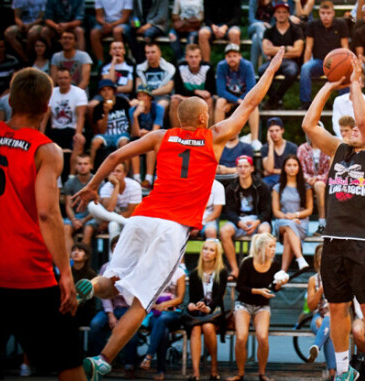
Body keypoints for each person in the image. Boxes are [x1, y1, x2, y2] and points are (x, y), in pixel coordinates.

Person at [72, 49, 285, 381]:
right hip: (171, 228)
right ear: (203, 120)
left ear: (178, 119)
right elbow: (249, 103)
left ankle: (90, 284)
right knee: (142, 300)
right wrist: (271, 69)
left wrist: (91, 187)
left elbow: (114, 155)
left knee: (113, 282)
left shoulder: (161, 136)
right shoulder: (213, 137)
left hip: (143, 217)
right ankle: (102, 360)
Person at [0, 67, 85, 381]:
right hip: (29, 274)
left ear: (10, 101)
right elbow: (48, 214)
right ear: (46, 108)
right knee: (69, 365)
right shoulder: (46, 150)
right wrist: (65, 273)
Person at [301, 57, 365, 381]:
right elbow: (309, 126)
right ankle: (343, 372)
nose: (354, 128)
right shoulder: (340, 150)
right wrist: (329, 84)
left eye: (359, 126)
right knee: (337, 307)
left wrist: (355, 81)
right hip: (334, 240)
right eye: (351, 126)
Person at [231, 233, 288, 381]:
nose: (273, 249)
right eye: (270, 246)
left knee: (262, 337)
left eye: (274, 246)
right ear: (261, 247)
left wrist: (279, 285)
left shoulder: (274, 265)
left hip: (262, 305)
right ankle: (240, 373)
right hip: (243, 303)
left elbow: (273, 289)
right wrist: (258, 291)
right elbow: (240, 287)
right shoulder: (248, 263)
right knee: (241, 337)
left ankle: (262, 373)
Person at [89, 235, 140, 379]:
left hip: (128, 307)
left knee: (131, 328)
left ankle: (129, 366)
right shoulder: (106, 267)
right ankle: (95, 363)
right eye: (114, 247)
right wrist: (110, 314)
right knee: (95, 324)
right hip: (110, 307)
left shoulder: (135, 267)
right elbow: (103, 295)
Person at [220, 155, 273, 279]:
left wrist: (256, 222)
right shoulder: (231, 188)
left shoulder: (262, 186)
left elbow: (267, 211)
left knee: (264, 231)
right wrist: (239, 223)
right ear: (236, 169)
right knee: (224, 231)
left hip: (258, 219)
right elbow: (229, 211)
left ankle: (258, 267)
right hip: (239, 220)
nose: (243, 169)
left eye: (246, 166)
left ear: (252, 168)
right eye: (240, 167)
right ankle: (234, 269)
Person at [185, 239, 228, 381]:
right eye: (205, 249)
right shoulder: (194, 273)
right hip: (198, 314)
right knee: (196, 329)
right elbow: (192, 298)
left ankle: (214, 367)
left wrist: (209, 309)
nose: (207, 252)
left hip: (215, 313)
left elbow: (218, 297)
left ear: (216, 254)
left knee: (208, 327)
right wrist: (193, 305)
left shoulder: (221, 272)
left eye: (211, 250)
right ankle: (196, 373)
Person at [299, 0, 349, 110]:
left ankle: (344, 102)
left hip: (337, 62)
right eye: (323, 13)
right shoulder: (313, 25)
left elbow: (345, 47)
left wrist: (345, 64)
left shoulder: (341, 24)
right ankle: (306, 102)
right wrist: (306, 63)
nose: (325, 16)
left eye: (328, 13)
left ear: (333, 13)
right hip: (320, 62)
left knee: (347, 71)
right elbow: (308, 47)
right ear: (319, 13)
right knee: (305, 68)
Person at [139, 263, 186, 381]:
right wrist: (156, 306)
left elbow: (180, 299)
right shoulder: (152, 271)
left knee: (163, 319)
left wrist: (164, 305)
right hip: (153, 314)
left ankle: (149, 356)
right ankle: (161, 371)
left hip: (172, 314)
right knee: (163, 330)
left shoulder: (179, 273)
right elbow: (145, 295)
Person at [41, 66, 88, 175]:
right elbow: (45, 115)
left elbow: (81, 115)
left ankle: (71, 176)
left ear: (70, 79)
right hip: (56, 129)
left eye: (66, 78)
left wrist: (79, 133)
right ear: (56, 80)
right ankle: (54, 177)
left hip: (73, 129)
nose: (63, 81)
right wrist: (41, 133)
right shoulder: (51, 92)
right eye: (60, 78)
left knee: (79, 141)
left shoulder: (79, 92)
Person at [215, 44, 261, 149]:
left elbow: (252, 89)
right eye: (229, 56)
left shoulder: (247, 66)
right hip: (230, 99)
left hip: (245, 99)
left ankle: (254, 139)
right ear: (225, 57)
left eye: (234, 55)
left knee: (254, 105)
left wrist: (238, 102)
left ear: (240, 56)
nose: (232, 58)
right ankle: (219, 137)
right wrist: (235, 101)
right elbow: (220, 91)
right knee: (219, 102)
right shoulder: (221, 66)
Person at [272, 155, 312, 271]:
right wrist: (288, 217)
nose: (292, 168)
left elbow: (309, 210)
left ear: (299, 168)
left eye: (295, 165)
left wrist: (295, 215)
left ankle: (283, 271)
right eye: (289, 165)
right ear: (284, 168)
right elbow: (275, 211)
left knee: (287, 234)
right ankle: (300, 258)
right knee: (288, 225)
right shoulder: (277, 188)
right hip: (282, 222)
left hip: (300, 222)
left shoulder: (306, 187)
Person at [260, 1, 304, 110]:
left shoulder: (296, 30)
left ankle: (273, 100)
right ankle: (277, 100)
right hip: (273, 62)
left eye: (284, 12)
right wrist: (288, 48)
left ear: (288, 14)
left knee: (292, 72)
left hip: (290, 62)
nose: (281, 14)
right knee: (261, 71)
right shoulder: (269, 31)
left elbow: (298, 51)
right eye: (278, 12)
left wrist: (275, 51)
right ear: (274, 14)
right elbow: (266, 50)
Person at [87, 162, 142, 242]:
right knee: (92, 205)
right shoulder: (106, 187)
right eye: (112, 171)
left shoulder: (134, 186)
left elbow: (131, 212)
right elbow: (110, 209)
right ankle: (126, 222)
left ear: (124, 174)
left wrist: (109, 220)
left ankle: (113, 254)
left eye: (118, 171)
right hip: (108, 217)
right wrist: (116, 186)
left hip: (128, 218)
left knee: (113, 225)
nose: (114, 174)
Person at [305, 244, 336, 379]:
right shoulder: (313, 280)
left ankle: (316, 346)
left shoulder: (338, 277)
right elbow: (311, 306)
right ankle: (333, 372)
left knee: (328, 322)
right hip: (319, 315)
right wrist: (320, 290)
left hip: (337, 315)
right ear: (317, 262)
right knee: (324, 324)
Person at [171, 44, 216, 128]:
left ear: (200, 57)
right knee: (174, 101)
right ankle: (176, 134)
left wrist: (193, 95)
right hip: (185, 98)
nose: (194, 60)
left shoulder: (207, 67)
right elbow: (178, 89)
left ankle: (207, 133)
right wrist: (196, 91)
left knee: (209, 101)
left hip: (201, 99)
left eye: (196, 57)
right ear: (186, 57)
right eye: (191, 57)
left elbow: (210, 91)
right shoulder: (180, 67)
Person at [90, 79, 132, 167]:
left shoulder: (123, 102)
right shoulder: (98, 107)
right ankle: (91, 167)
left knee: (124, 143)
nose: (106, 92)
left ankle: (125, 171)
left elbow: (130, 120)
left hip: (122, 134)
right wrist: (106, 113)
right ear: (100, 93)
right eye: (103, 90)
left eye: (109, 89)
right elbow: (102, 130)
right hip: (106, 135)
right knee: (95, 142)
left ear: (113, 91)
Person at [129, 85, 164, 188]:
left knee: (151, 146)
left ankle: (149, 178)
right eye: (139, 96)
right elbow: (135, 133)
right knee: (133, 145)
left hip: (155, 136)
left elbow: (156, 131)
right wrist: (135, 116)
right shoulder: (133, 110)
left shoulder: (158, 108)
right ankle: (137, 178)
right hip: (140, 137)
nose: (141, 98)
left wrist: (146, 133)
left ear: (150, 97)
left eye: (144, 95)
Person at [63, 154, 98, 251]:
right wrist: (74, 220)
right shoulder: (70, 182)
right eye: (80, 164)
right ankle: (71, 260)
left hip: (92, 216)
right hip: (76, 216)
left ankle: (82, 258)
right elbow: (68, 206)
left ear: (91, 166)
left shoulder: (97, 181)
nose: (82, 166)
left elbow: (100, 206)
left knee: (88, 229)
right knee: (66, 228)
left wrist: (84, 220)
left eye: (85, 164)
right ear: (75, 166)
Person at [297, 135, 330, 236]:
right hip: (304, 180)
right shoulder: (302, 149)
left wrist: (317, 178)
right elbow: (299, 167)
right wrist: (308, 178)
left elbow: (330, 169)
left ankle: (322, 224)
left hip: (324, 182)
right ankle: (299, 225)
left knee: (319, 185)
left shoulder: (327, 148)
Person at [260, 117, 299, 187]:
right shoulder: (265, 148)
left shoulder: (292, 147)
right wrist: (271, 145)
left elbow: (294, 169)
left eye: (277, 130)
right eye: (271, 131)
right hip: (271, 179)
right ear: (268, 133)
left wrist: (273, 171)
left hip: (288, 177)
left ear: (282, 130)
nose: (274, 133)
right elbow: (269, 169)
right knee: (263, 185)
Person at [136, 43, 176, 110]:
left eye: (153, 52)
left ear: (159, 53)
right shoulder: (140, 69)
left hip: (163, 97)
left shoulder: (170, 68)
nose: (150, 55)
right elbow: (139, 87)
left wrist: (149, 93)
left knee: (161, 106)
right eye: (147, 53)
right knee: (134, 103)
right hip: (145, 98)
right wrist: (146, 96)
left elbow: (168, 88)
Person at [97, 41, 134, 107]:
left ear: (124, 51)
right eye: (114, 48)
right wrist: (113, 64)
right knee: (91, 105)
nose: (117, 50)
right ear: (110, 52)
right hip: (105, 94)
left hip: (123, 95)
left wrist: (112, 90)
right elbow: (108, 83)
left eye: (120, 48)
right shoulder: (105, 67)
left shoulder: (130, 66)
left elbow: (129, 87)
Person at [70, 243, 98, 328]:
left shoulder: (91, 274)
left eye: (80, 250)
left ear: (86, 256)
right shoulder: (67, 273)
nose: (76, 252)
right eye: (74, 250)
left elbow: (91, 297)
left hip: (85, 310)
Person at [248, 0, 275, 70]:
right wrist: (263, 24)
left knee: (255, 38)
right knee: (259, 26)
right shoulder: (254, 1)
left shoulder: (273, 2)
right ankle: (267, 55)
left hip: (268, 31)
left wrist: (268, 27)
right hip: (254, 27)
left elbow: (274, 22)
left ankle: (251, 70)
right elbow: (251, 19)